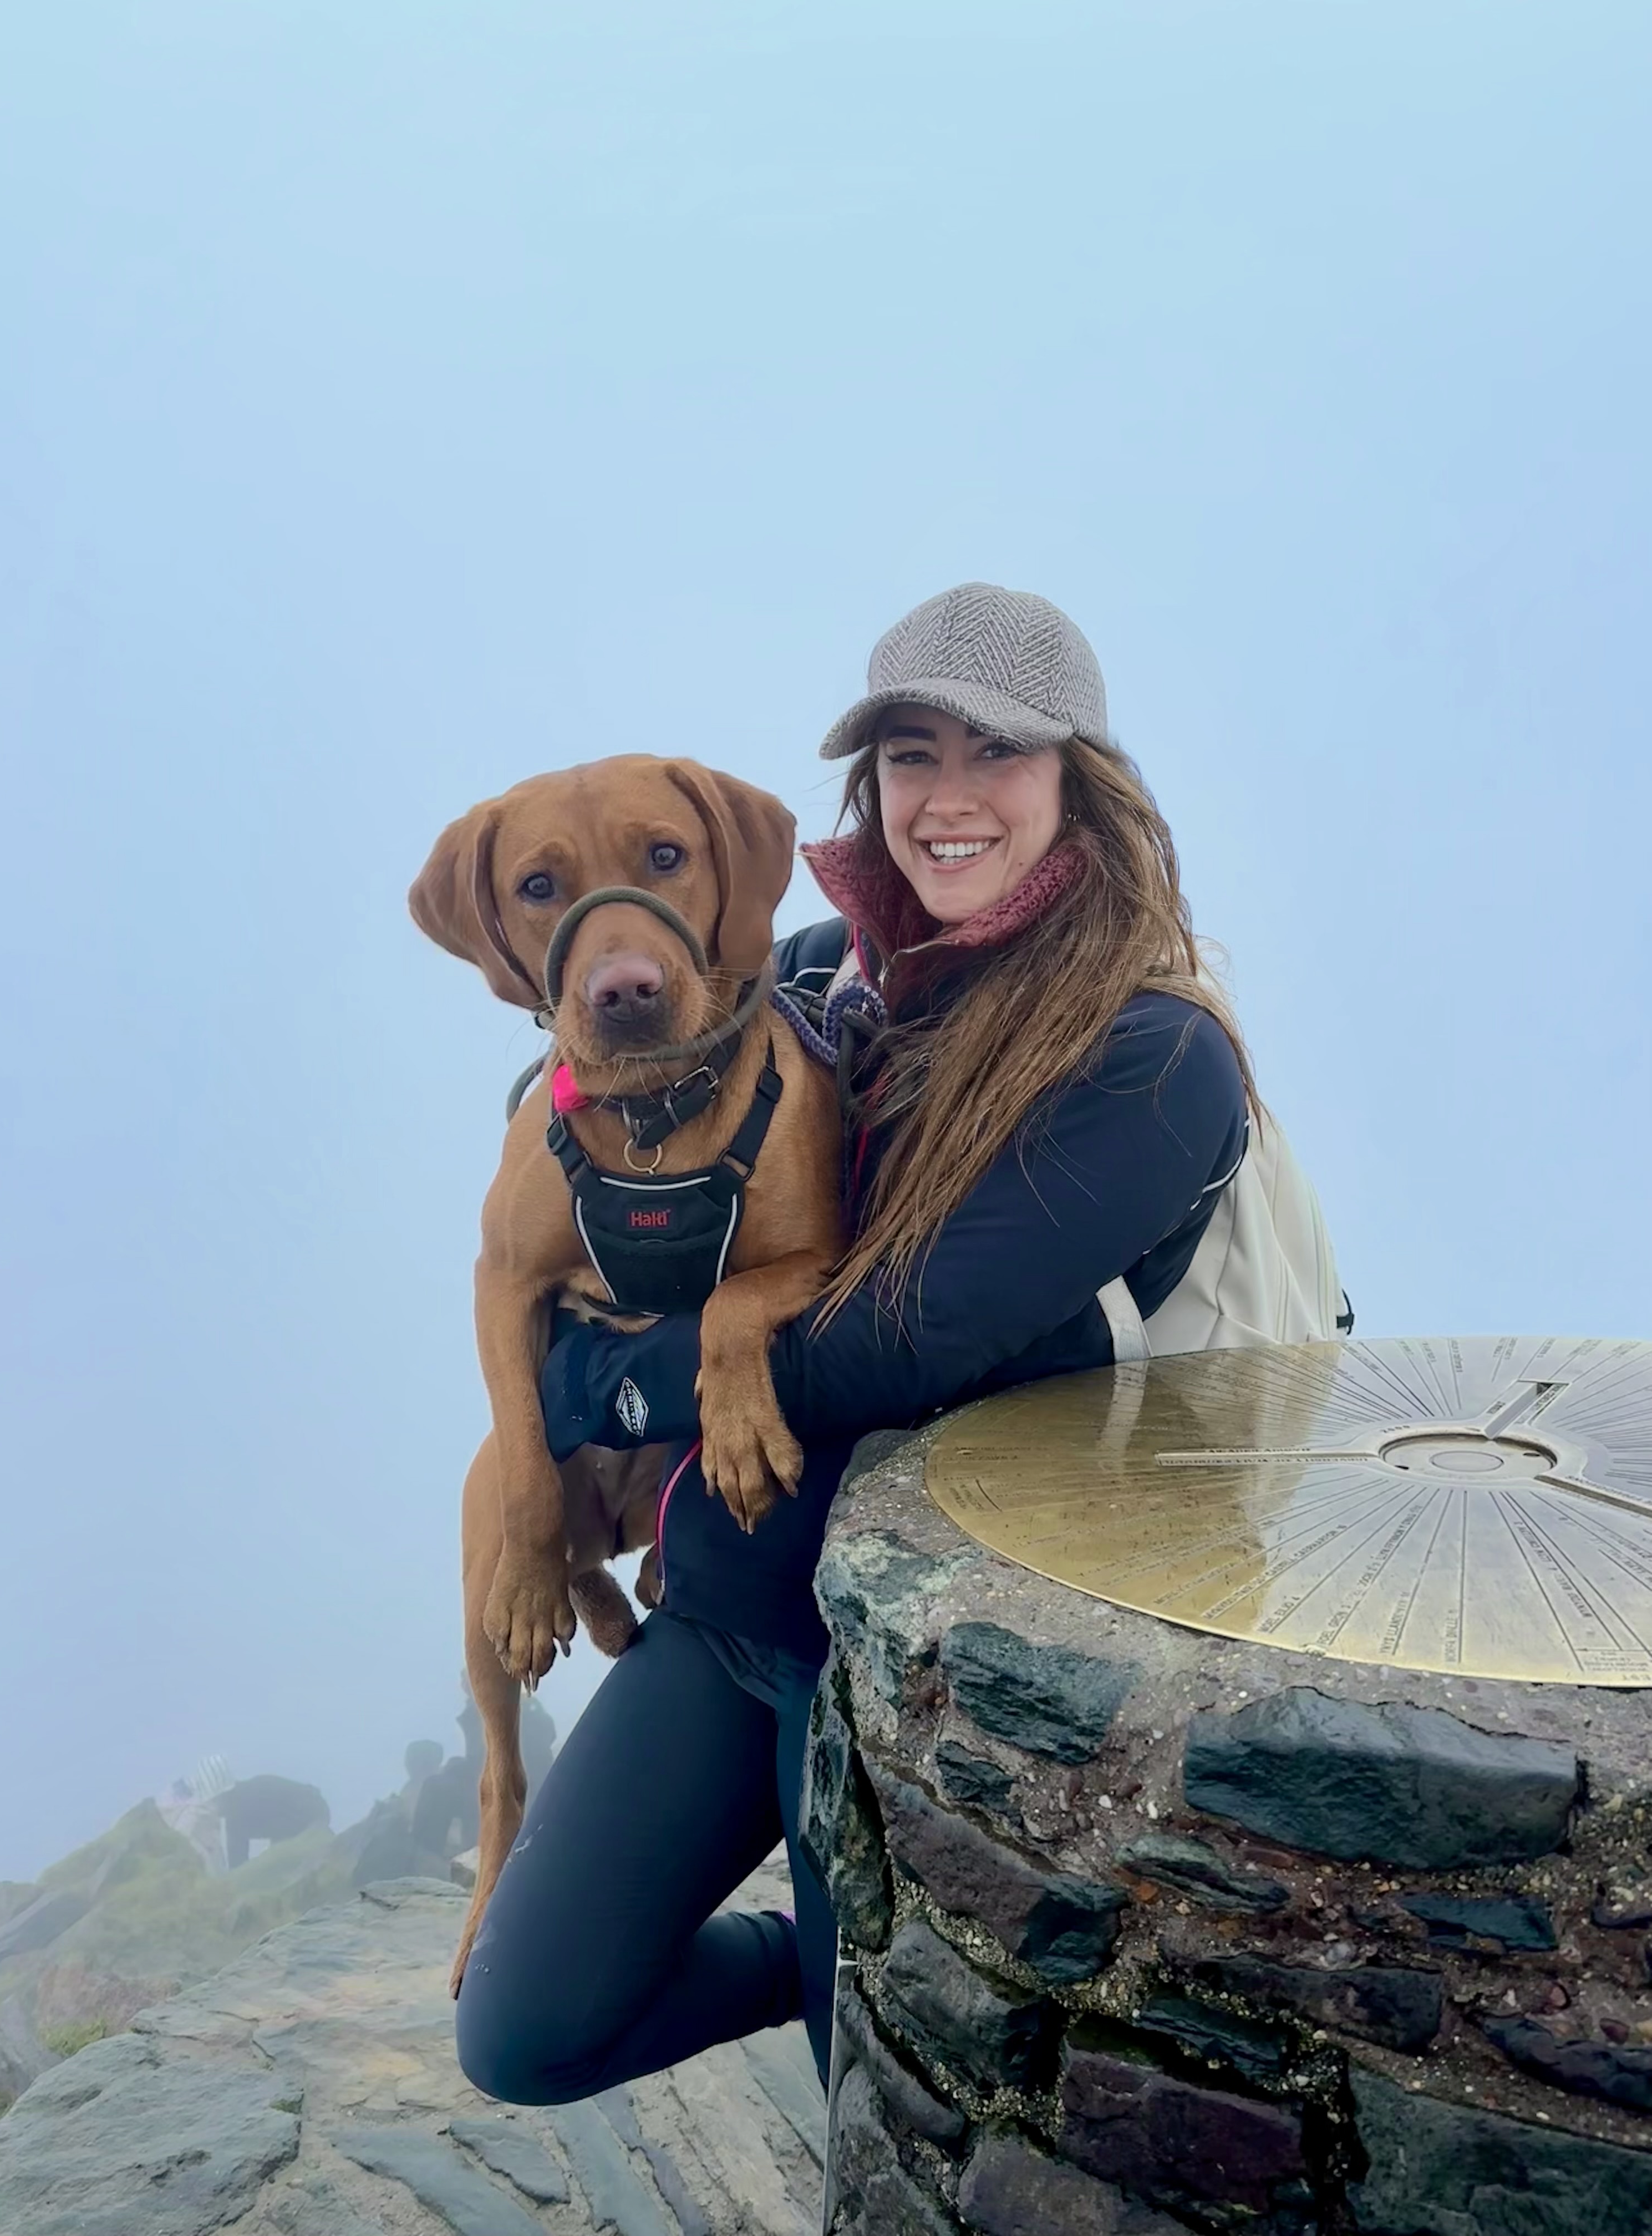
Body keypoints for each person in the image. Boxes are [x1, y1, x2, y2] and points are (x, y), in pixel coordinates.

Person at [453, 582, 1341, 2108]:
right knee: (523, 2034)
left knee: (875, 2095)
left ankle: (835, 1962)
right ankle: (811, 1947)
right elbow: (583, 1123)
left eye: (998, 752)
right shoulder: (818, 973)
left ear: (1082, 784)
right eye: (910, 756)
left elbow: (902, 1346)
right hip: (734, 1591)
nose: (947, 798)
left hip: (902, 1644)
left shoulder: (1152, 1053)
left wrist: (599, 1382)